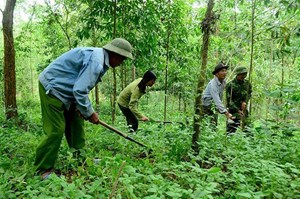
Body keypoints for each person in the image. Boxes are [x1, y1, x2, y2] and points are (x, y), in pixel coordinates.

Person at [34, 38, 133, 179]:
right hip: (53, 87)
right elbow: (80, 90)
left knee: (76, 124)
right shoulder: (97, 62)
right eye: (122, 59)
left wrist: (83, 109)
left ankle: (81, 160)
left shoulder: (100, 59)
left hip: (69, 91)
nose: (122, 63)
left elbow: (79, 86)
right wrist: (90, 112)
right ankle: (42, 170)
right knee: (56, 129)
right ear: (115, 55)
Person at [201, 63, 234, 127]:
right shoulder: (212, 84)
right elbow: (217, 100)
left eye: (225, 71)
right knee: (205, 125)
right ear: (216, 74)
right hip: (206, 107)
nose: (224, 73)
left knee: (213, 125)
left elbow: (220, 96)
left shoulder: (223, 82)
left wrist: (222, 109)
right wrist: (226, 113)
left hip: (214, 107)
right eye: (222, 71)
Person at [226, 66, 252, 133]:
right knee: (231, 131)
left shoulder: (247, 84)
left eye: (245, 74)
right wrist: (237, 110)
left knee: (247, 131)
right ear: (237, 74)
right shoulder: (230, 85)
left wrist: (245, 102)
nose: (244, 76)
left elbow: (249, 94)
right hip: (233, 112)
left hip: (244, 110)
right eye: (242, 74)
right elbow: (229, 100)